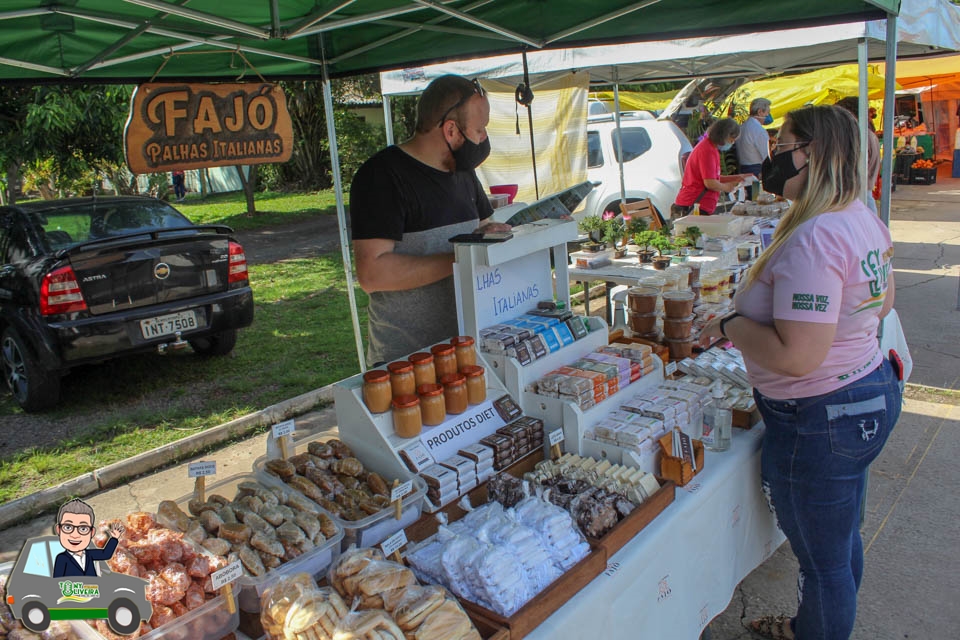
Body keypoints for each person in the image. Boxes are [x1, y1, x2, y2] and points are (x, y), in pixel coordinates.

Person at [700, 105, 902, 640]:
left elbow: (795, 357)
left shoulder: (816, 238)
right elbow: (881, 305)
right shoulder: (859, 214)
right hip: (865, 391)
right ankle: (807, 628)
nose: (771, 156)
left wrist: (730, 323)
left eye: (781, 145)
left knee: (824, 564)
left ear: (809, 154)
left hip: (821, 417)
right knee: (839, 543)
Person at [350, 75, 510, 364]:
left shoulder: (463, 172)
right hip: (409, 363)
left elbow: (481, 229)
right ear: (450, 130)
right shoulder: (381, 177)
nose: (484, 138)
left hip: (468, 350)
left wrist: (493, 234)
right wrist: (459, 257)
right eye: (480, 129)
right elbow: (372, 275)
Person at [671, 118, 742, 217]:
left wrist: (737, 178)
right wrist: (727, 187)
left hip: (698, 204)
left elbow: (713, 177)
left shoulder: (710, 148)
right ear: (724, 135)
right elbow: (710, 183)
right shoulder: (707, 150)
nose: (732, 143)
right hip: (695, 204)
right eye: (732, 139)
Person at [53, 498, 124, 577]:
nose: (75, 535)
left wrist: (114, 539)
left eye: (83, 529)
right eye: (68, 527)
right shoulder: (61, 558)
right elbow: (57, 581)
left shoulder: (89, 554)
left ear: (92, 532)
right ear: (59, 530)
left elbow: (106, 554)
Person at [835, 97, 881, 212]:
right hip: (863, 196)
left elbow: (851, 171)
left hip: (857, 198)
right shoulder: (869, 135)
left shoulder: (858, 137)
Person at [737, 98, 773, 199]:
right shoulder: (758, 131)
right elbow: (766, 155)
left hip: (743, 169)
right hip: (756, 171)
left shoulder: (742, 127)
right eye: (767, 112)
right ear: (760, 112)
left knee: (748, 200)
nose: (768, 116)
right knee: (756, 201)